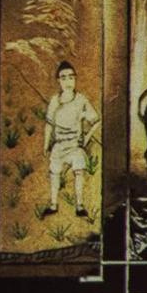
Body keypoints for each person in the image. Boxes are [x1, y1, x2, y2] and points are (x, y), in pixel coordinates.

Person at [42, 61, 99, 218]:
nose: (68, 81)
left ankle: (80, 206)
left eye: (71, 77)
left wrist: (86, 138)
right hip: (59, 144)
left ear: (75, 79)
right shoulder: (55, 101)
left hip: (75, 145)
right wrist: (45, 145)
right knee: (54, 172)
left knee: (79, 171)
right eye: (63, 78)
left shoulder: (81, 100)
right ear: (58, 81)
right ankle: (53, 205)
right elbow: (49, 124)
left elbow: (96, 120)